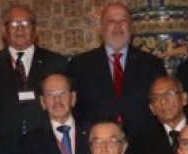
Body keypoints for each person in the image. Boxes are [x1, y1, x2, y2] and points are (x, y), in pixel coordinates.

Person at [67, 2, 165, 139]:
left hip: (143, 146)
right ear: (101, 29)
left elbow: (161, 107)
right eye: (111, 21)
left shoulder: (151, 64)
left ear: (131, 28)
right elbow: (73, 109)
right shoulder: (80, 65)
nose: (118, 26)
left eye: (123, 21)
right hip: (97, 146)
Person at [0, 3, 69, 140]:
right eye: (13, 24)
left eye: (26, 23)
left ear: (35, 30)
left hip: (47, 142)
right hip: (3, 146)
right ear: (4, 31)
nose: (20, 28)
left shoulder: (56, 63)